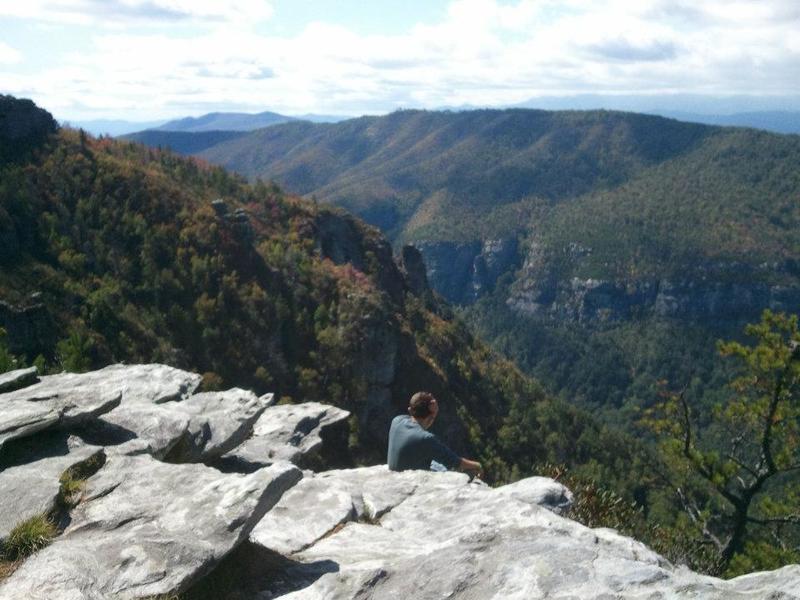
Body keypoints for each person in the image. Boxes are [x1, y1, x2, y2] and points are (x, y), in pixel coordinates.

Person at [387, 391, 482, 476]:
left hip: (396, 474)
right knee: (448, 469)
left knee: (435, 462)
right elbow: (455, 462)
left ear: (410, 410)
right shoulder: (425, 438)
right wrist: (477, 465)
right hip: (411, 480)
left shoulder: (397, 421)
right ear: (431, 417)